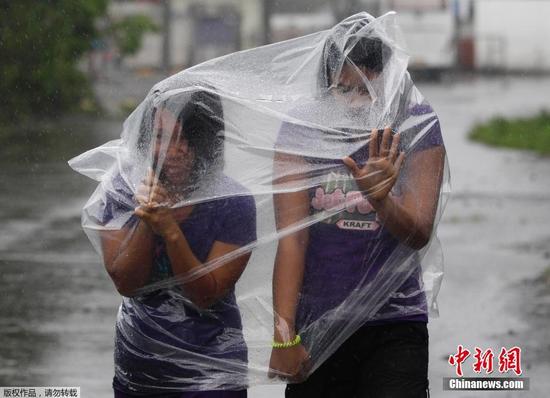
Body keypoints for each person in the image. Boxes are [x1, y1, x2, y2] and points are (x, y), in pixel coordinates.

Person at [268, 19, 446, 398]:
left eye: (364, 91)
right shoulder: (303, 129)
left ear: (388, 83)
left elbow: (418, 233)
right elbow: (291, 241)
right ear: (326, 86)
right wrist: (284, 337)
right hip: (318, 323)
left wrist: (382, 199)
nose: (351, 103)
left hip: (394, 324)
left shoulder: (415, 126)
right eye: (342, 89)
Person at [98, 90, 257, 397]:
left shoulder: (233, 203)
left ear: (207, 143)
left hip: (213, 369)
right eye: (161, 137)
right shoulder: (123, 188)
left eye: (185, 139)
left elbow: (205, 294)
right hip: (140, 365)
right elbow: (126, 282)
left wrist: (171, 231)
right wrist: (147, 220)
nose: (171, 151)